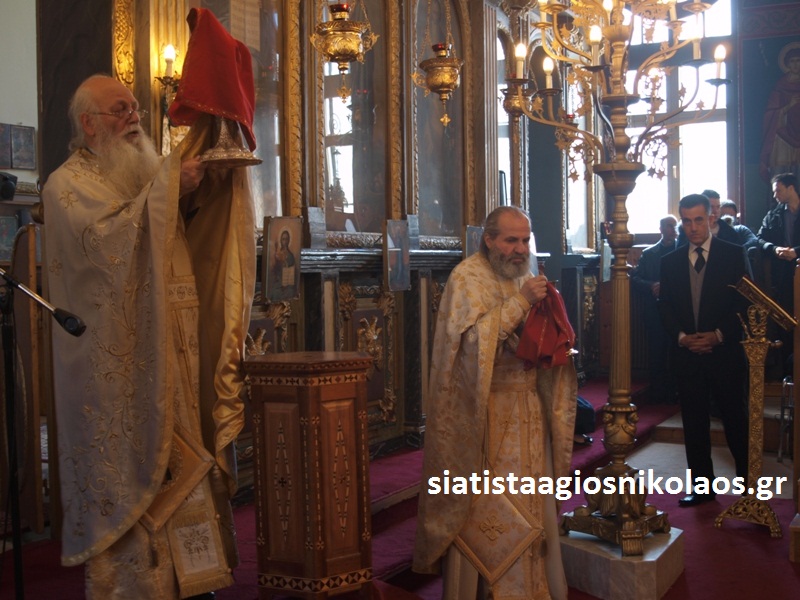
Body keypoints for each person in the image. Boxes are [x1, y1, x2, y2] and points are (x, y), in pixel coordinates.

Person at [42, 74, 255, 598]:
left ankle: (194, 578)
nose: (134, 117)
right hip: (120, 369)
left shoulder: (141, 173)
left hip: (174, 349)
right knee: (139, 466)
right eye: (119, 110)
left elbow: (166, 230)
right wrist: (169, 187)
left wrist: (199, 189)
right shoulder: (65, 185)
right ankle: (137, 584)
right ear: (89, 123)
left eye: (135, 107)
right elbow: (106, 247)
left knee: (187, 452)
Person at [413, 206, 577, 600]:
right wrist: (520, 303)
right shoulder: (466, 278)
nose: (520, 249)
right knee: (490, 511)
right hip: (484, 417)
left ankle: (534, 587)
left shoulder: (523, 274)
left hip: (529, 410)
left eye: (525, 240)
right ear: (489, 240)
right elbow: (468, 349)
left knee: (531, 503)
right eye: (511, 240)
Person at [657, 194, 749, 507]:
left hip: (725, 354)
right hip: (687, 355)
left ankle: (749, 488)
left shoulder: (734, 254)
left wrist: (718, 336)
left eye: (699, 220)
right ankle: (702, 487)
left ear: (711, 218)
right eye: (686, 221)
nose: (693, 227)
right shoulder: (669, 261)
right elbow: (665, 307)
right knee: (694, 424)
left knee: (736, 421)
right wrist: (683, 337)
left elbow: (745, 304)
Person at [630, 214, 678, 404]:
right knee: (656, 352)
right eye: (669, 226)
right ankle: (658, 393)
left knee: (676, 353)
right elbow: (636, 279)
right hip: (655, 311)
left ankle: (676, 392)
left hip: (678, 312)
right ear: (661, 229)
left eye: (675, 226)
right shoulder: (649, 254)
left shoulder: (683, 250)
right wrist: (652, 286)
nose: (673, 230)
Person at [759, 43, 800, 182]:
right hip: (783, 136)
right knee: (781, 171)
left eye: (798, 60)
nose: (796, 64)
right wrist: (789, 105)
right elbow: (770, 114)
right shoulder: (780, 86)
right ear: (787, 64)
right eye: (792, 61)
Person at [270, 228, 297, 300]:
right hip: (279, 282)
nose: (285, 242)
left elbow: (292, 272)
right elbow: (274, 270)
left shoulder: (291, 256)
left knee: (290, 292)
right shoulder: (278, 254)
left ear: (289, 240)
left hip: (288, 283)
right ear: (281, 240)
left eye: (286, 239)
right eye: (283, 239)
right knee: (275, 292)